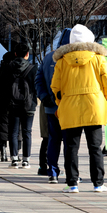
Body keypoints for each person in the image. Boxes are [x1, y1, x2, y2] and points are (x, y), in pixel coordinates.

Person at [51, 24, 107, 193]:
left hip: (70, 108)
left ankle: (72, 183)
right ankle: (98, 183)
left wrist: (60, 103)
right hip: (94, 106)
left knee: (71, 147)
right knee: (95, 147)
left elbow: (55, 87)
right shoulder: (98, 58)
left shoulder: (62, 61)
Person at [34, 28, 71, 183]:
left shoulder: (49, 57)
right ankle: (71, 174)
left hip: (51, 107)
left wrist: (44, 97)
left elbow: (38, 80)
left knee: (52, 140)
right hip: (70, 108)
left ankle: (52, 172)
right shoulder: (74, 58)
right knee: (70, 142)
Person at [2, 43, 38, 168]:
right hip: (29, 104)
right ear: (27, 54)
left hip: (12, 104)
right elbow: (36, 86)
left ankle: (14, 159)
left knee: (13, 131)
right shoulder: (33, 69)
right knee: (27, 131)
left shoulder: (8, 68)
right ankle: (26, 160)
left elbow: (4, 87)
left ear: (15, 54)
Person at [0, 52, 15, 160]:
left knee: (2, 126)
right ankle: (14, 153)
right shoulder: (16, 72)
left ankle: (3, 151)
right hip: (15, 103)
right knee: (15, 128)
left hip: (2, 102)